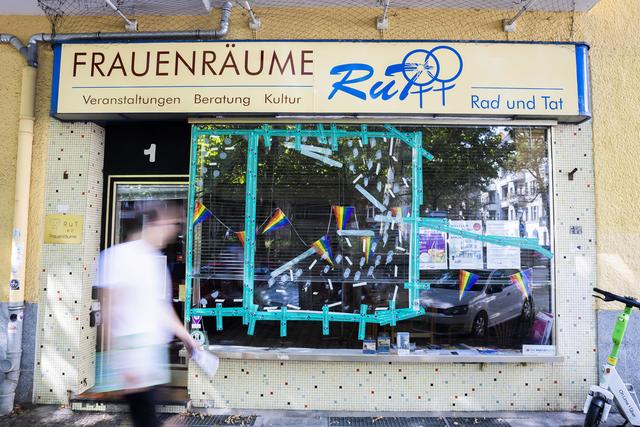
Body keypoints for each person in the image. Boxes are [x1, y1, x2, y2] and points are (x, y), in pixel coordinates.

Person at [96, 201, 198, 427]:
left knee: (148, 417)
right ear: (153, 223)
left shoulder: (154, 260)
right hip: (132, 353)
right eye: (172, 224)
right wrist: (122, 361)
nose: (174, 231)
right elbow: (110, 311)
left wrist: (186, 337)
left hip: (153, 354)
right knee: (146, 419)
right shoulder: (118, 257)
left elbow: (162, 309)